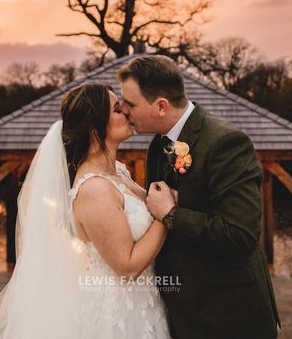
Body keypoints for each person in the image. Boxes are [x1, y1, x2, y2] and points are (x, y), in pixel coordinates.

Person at [0, 82, 172, 339]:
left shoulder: (118, 172)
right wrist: (168, 215)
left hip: (144, 302)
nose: (128, 113)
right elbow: (127, 266)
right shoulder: (94, 189)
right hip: (117, 316)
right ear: (95, 127)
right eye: (118, 109)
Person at [117, 55, 281, 339]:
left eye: (130, 104)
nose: (123, 110)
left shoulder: (226, 143)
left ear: (161, 106)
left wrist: (171, 214)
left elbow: (240, 235)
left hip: (229, 317)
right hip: (184, 313)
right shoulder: (158, 144)